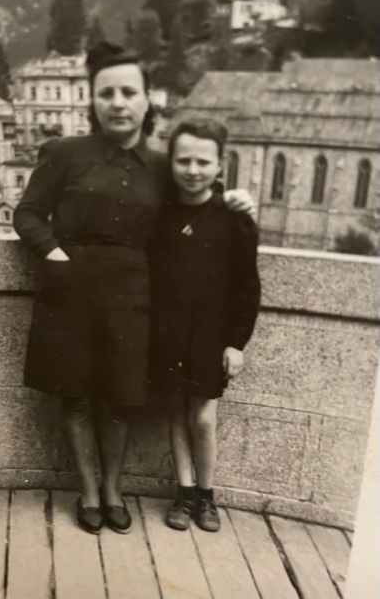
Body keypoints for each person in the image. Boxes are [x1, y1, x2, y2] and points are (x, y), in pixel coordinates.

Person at [13, 41, 255, 536]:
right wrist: (55, 254)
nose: (118, 102)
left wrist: (239, 199)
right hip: (70, 295)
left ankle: (113, 493)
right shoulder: (64, 153)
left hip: (134, 302)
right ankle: (87, 493)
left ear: (148, 101)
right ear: (93, 101)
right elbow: (28, 213)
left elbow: (199, 196)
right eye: (107, 93)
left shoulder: (164, 164)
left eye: (129, 92)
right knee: (77, 400)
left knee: (122, 401)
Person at [149, 120, 261, 533]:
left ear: (220, 164)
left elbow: (247, 287)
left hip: (210, 337)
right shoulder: (159, 214)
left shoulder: (235, 219)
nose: (192, 169)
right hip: (169, 333)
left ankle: (207, 496)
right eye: (184, 160)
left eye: (203, 161)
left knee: (203, 418)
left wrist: (236, 344)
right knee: (176, 414)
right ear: (171, 162)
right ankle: (183, 492)